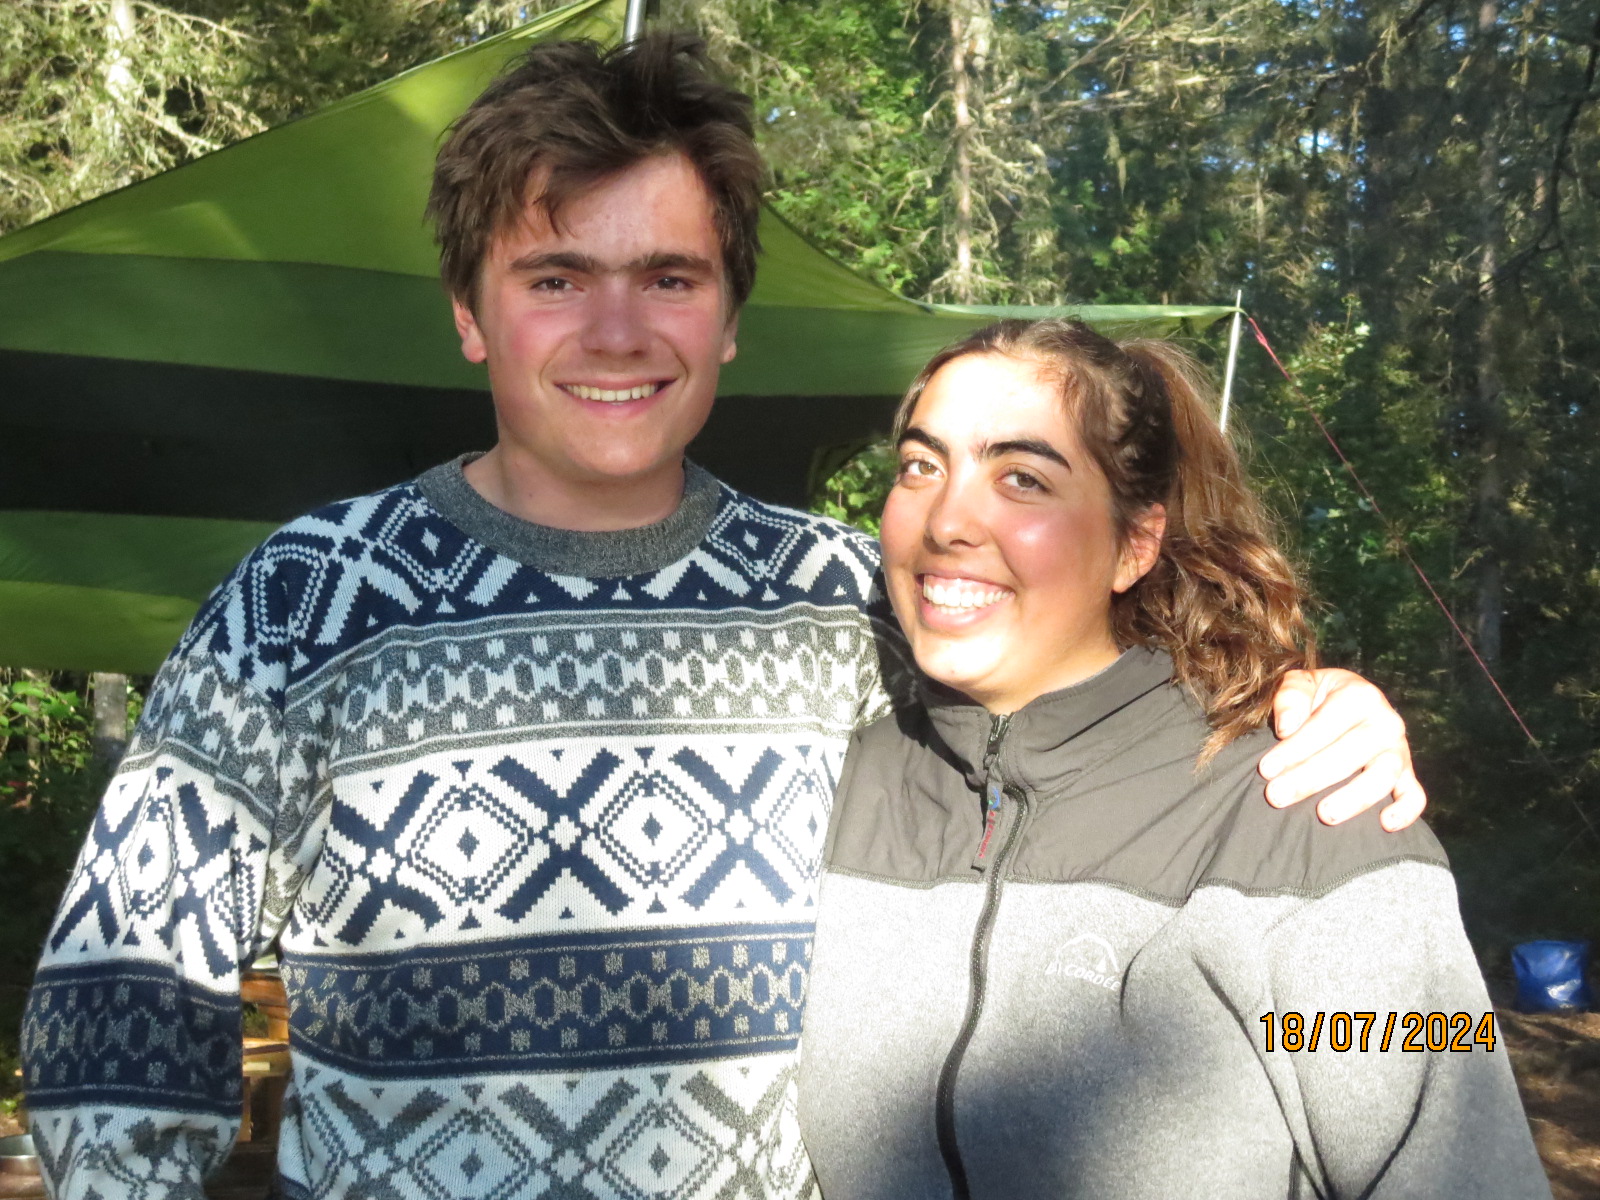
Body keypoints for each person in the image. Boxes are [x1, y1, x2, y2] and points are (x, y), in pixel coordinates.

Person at [23, 35, 1426, 1200]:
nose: (618, 331)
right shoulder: (303, 600)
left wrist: (1298, 702)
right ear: (469, 312)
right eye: (556, 277)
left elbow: (1071, 712)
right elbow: (116, 1005)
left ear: (732, 319)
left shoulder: (845, 601)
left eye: (671, 278)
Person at [796, 319, 1550, 1199]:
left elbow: (1454, 1130)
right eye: (922, 466)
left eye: (1023, 478)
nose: (948, 520)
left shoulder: (1312, 813)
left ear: (1135, 544)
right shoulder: (843, 781)